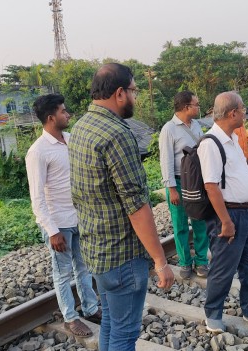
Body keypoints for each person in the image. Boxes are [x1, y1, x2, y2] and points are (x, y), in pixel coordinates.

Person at [68, 63, 174, 351]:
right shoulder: (117, 133)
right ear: (119, 93)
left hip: (97, 252)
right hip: (123, 256)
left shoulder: (80, 127)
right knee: (125, 335)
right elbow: (136, 206)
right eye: (134, 91)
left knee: (112, 325)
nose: (135, 98)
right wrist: (161, 262)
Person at [25, 94, 101, 338]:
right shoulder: (37, 151)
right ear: (51, 118)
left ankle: (90, 308)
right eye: (63, 111)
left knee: (84, 267)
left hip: (79, 217)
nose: (68, 114)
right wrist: (52, 230)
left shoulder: (70, 139)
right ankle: (70, 318)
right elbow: (36, 197)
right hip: (59, 224)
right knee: (62, 273)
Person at [198, 91, 248, 333]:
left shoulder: (232, 140)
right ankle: (213, 314)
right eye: (242, 109)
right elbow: (211, 186)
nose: (244, 113)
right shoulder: (211, 143)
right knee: (223, 267)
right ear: (232, 113)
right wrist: (225, 221)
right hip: (230, 215)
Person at [158, 91, 209, 279]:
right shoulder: (169, 129)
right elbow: (166, 161)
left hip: (196, 182)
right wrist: (171, 188)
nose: (198, 107)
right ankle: (185, 262)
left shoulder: (196, 125)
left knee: (200, 221)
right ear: (186, 107)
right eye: (196, 104)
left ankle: (202, 261)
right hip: (178, 183)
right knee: (180, 225)